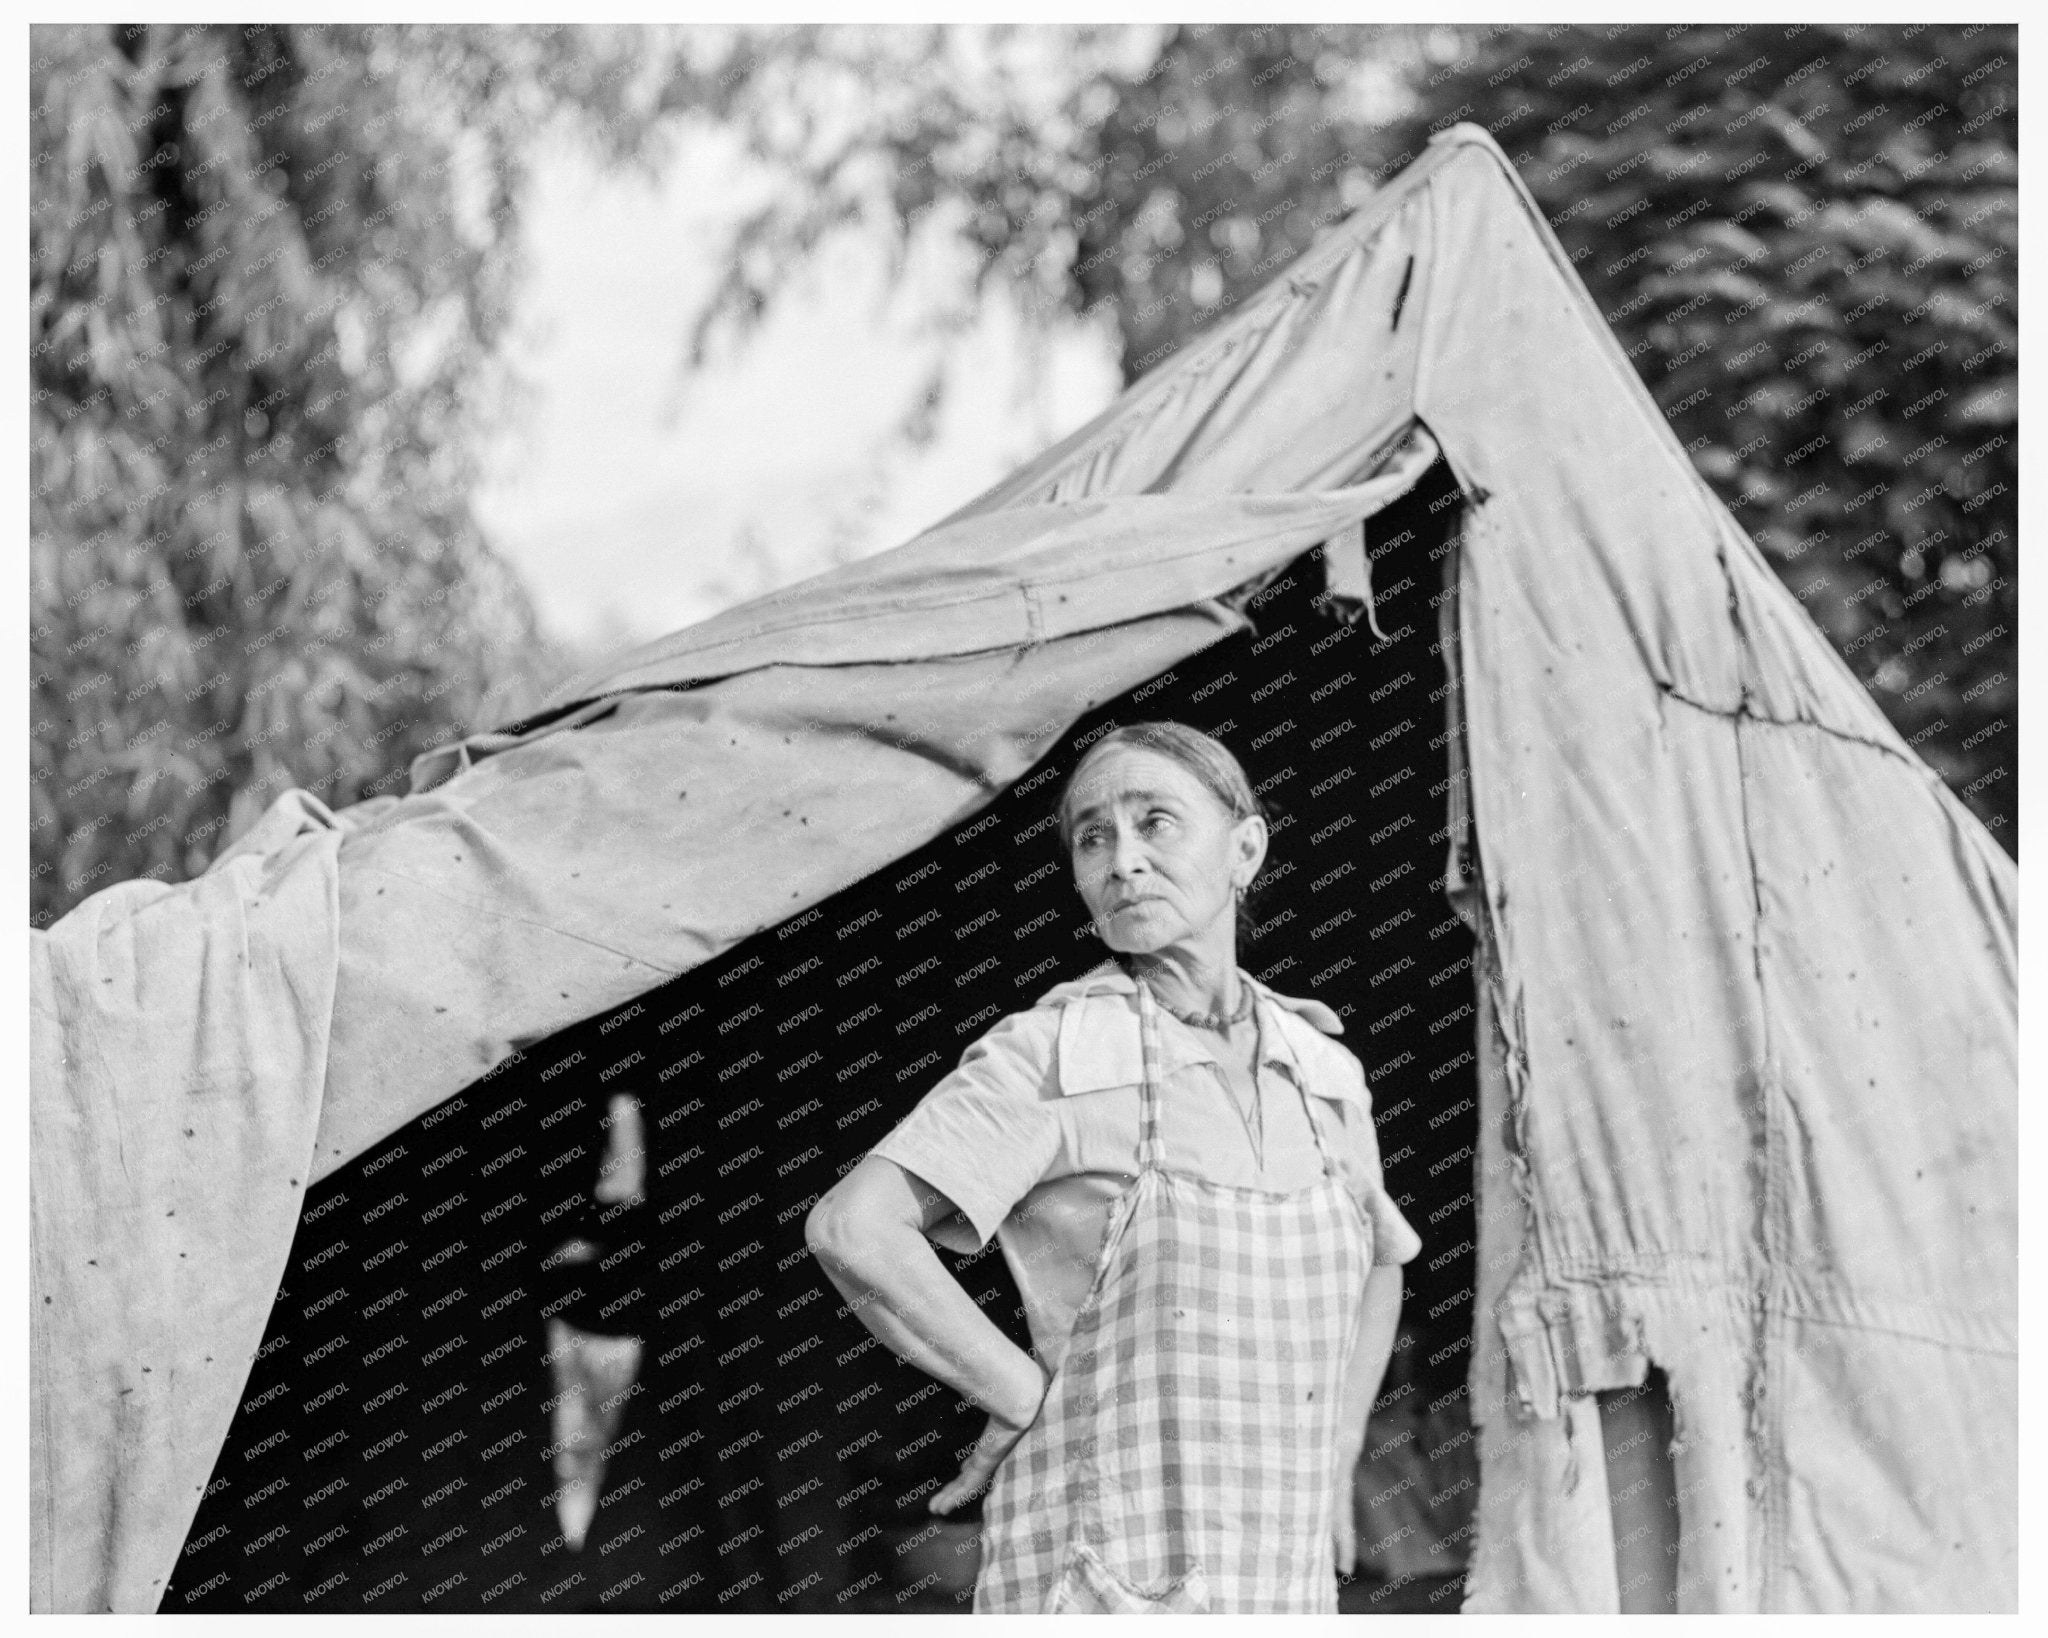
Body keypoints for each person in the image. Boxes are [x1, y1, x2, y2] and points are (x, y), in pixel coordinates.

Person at [805, 721, 1422, 1613]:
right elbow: (854, 1227)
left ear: (1245, 848)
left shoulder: (1322, 1069)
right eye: (1093, 838)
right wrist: (1020, 1394)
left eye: (1156, 822)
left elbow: (1380, 1259)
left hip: (1279, 1580)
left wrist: (1337, 1452)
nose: (1123, 861)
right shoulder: (1056, 1054)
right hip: (1102, 1573)